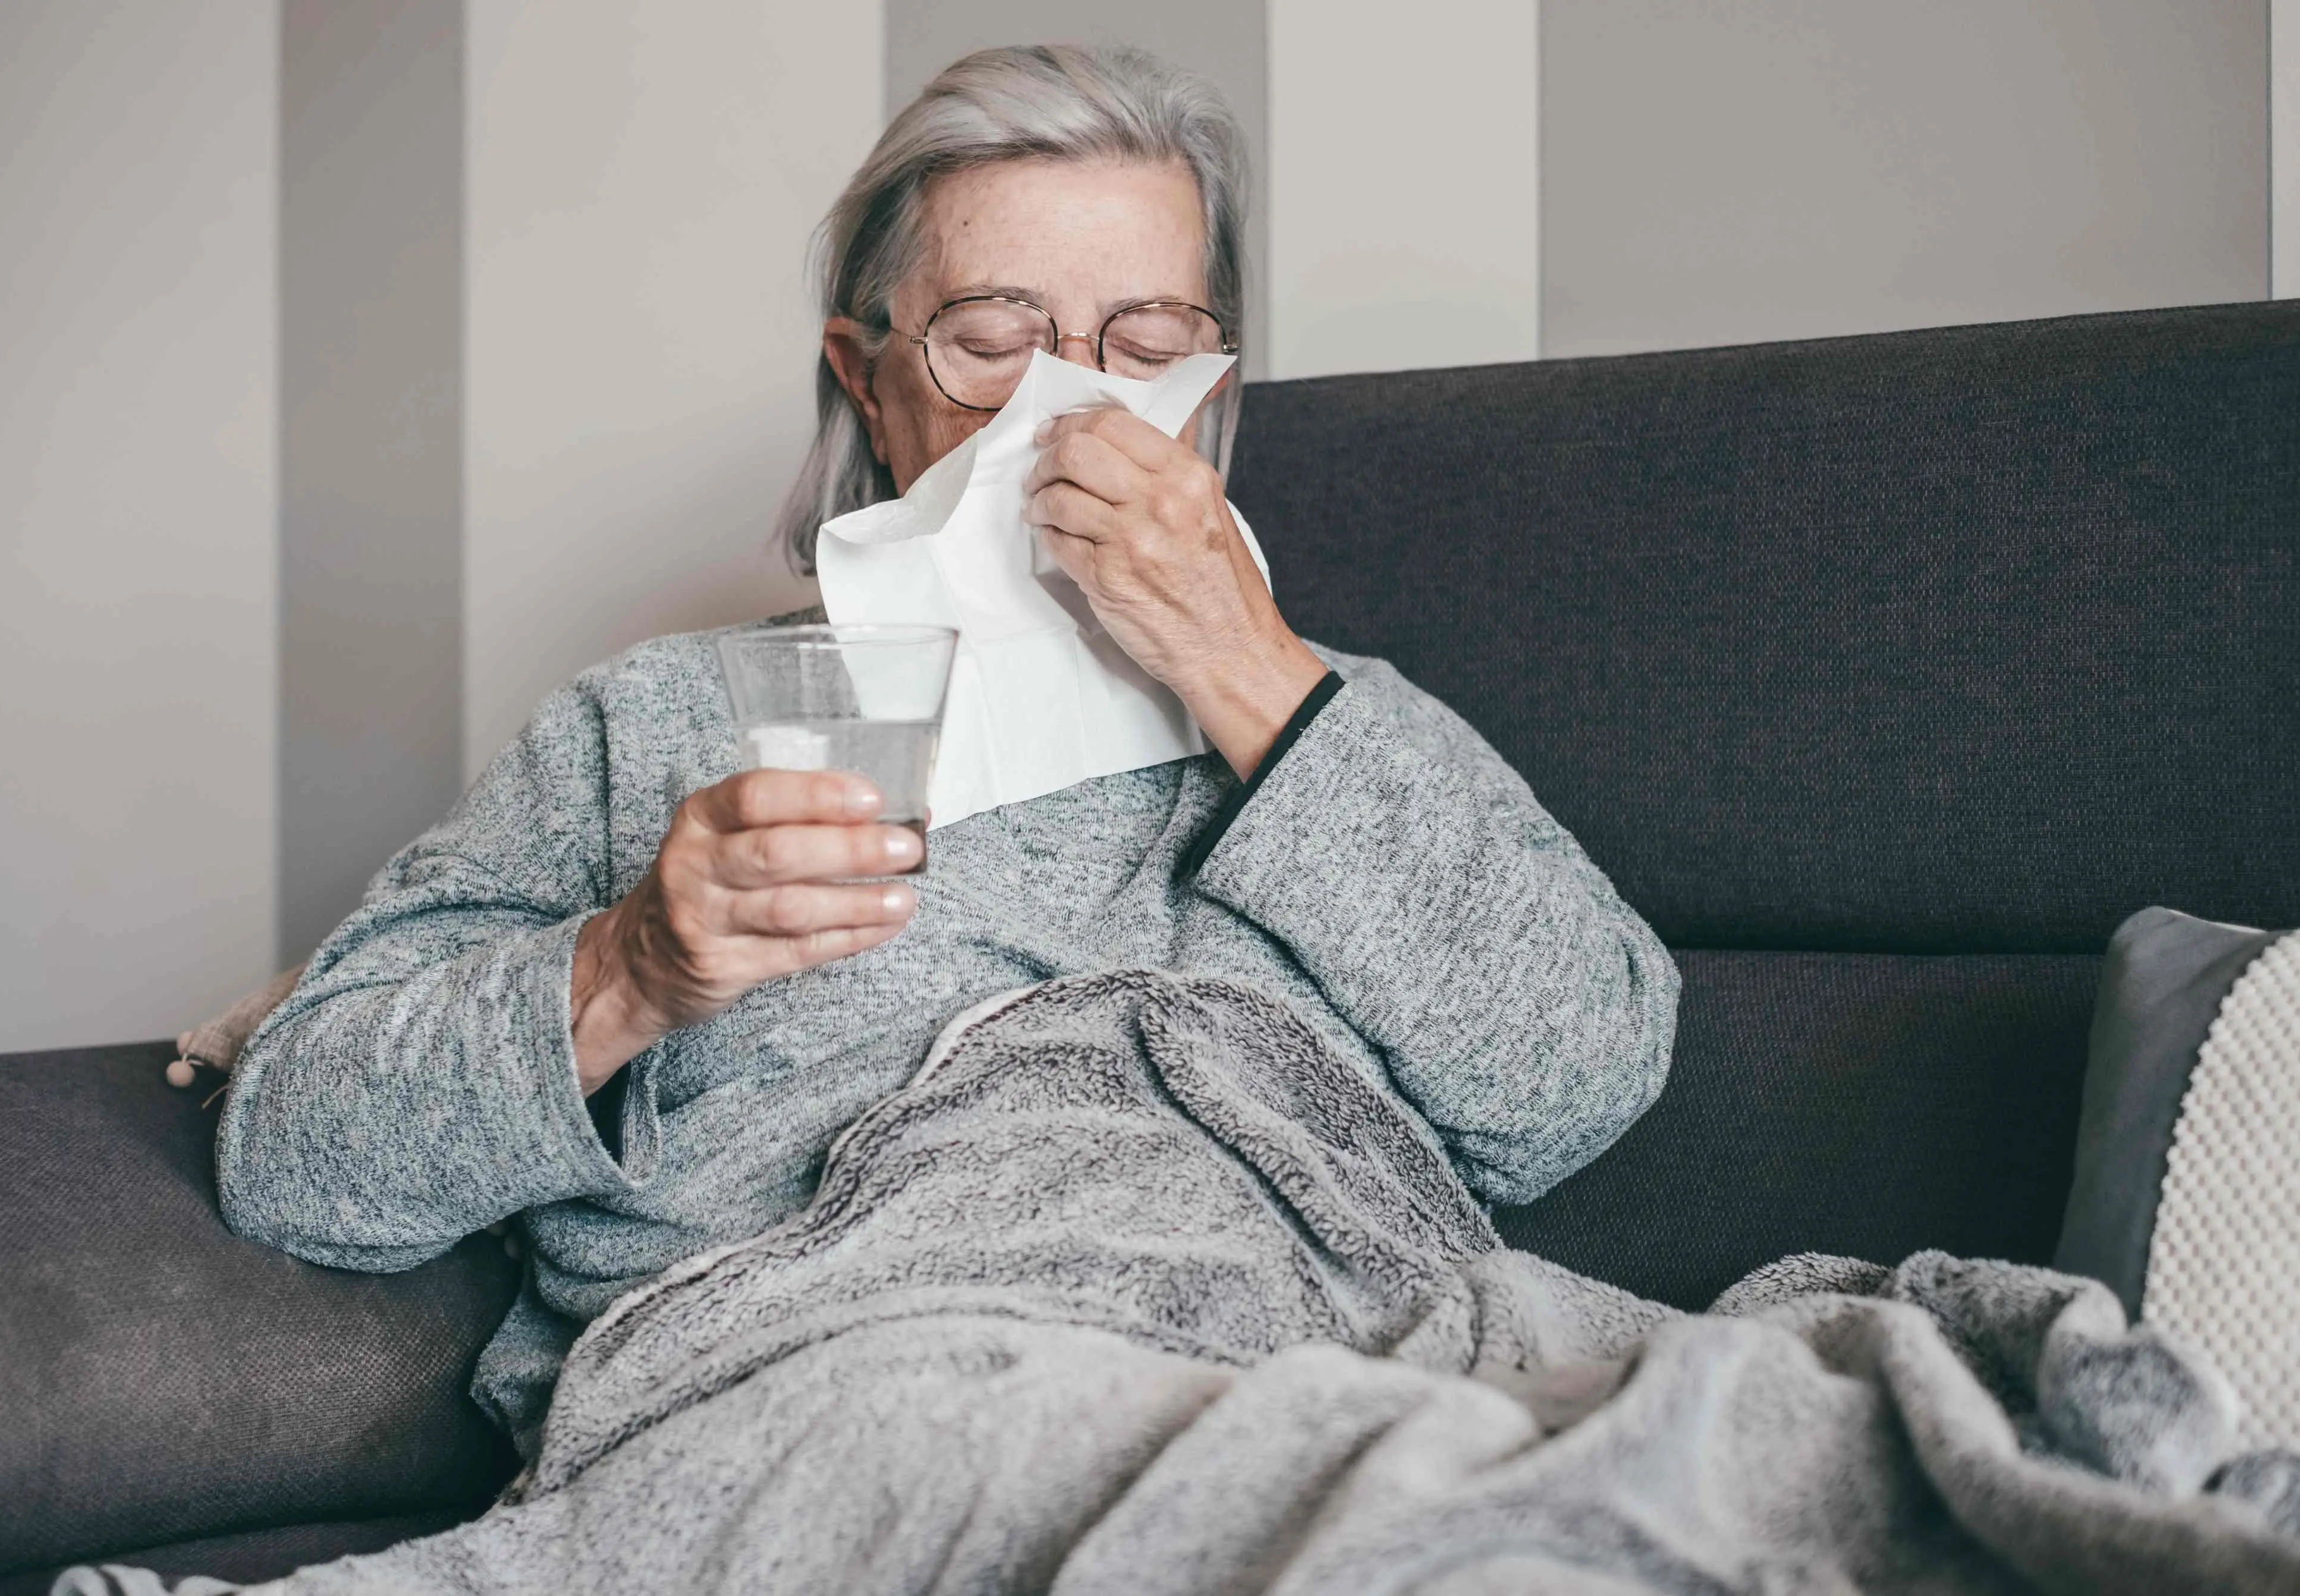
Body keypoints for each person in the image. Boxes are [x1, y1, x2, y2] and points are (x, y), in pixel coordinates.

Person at [215, 42, 1680, 1466]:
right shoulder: (653, 726)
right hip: (845, 1382)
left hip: (1341, 1377)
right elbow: (295, 1156)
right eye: (994, 341)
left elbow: (1583, 1076)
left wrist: (1246, 667)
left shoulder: (1338, 717)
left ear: (1212, 385)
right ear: (866, 377)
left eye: (1148, 345)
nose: (1071, 410)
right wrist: (627, 971)